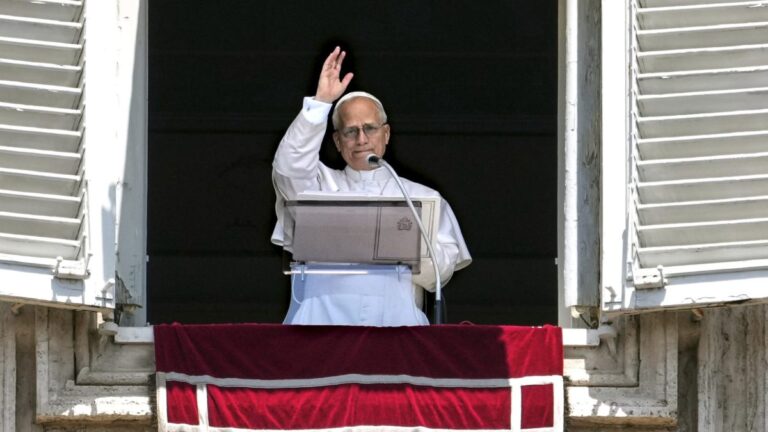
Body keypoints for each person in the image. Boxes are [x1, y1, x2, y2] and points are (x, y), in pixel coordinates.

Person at [271, 47, 471, 326]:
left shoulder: (420, 197)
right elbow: (288, 167)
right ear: (338, 142)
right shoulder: (319, 187)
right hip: (321, 327)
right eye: (350, 131)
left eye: (370, 128)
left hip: (397, 329)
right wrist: (320, 103)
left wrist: (396, 244)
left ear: (386, 134)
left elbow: (441, 271)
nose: (361, 139)